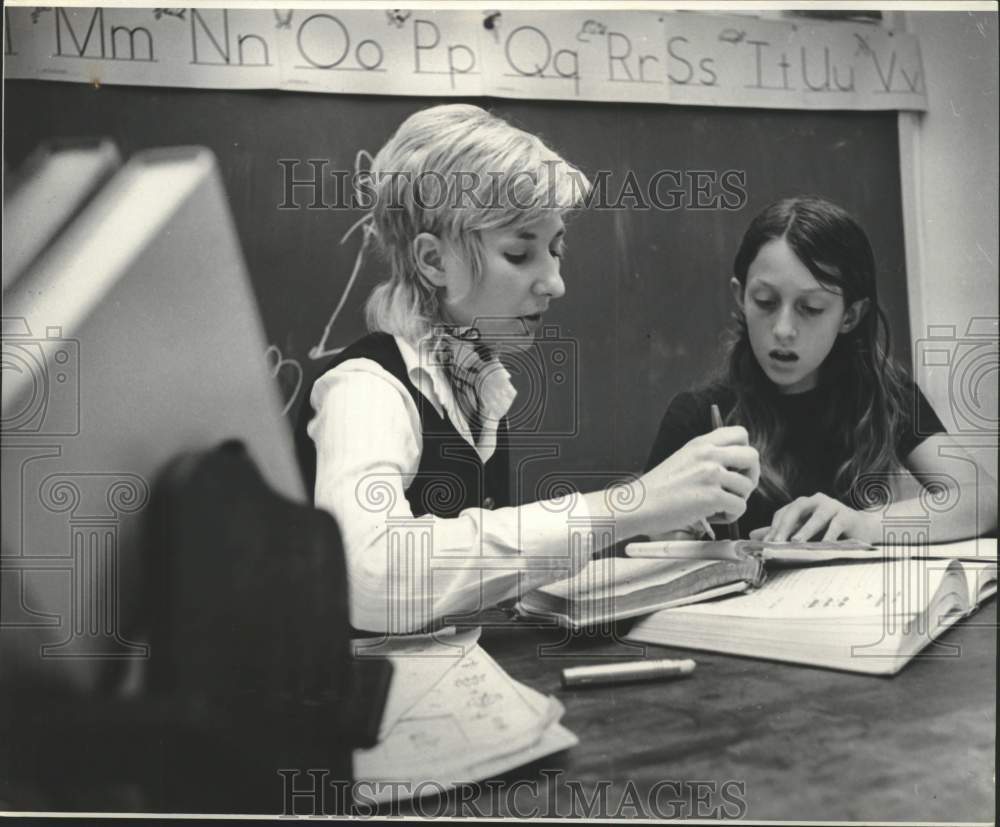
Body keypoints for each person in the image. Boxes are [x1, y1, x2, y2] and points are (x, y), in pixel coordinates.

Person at [297, 104, 759, 633]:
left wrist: (659, 522)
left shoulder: (475, 384)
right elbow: (372, 574)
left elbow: (477, 565)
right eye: (519, 254)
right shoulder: (365, 391)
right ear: (433, 261)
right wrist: (624, 508)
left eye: (555, 249)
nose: (554, 283)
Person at [646, 195, 997, 543]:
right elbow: (651, 537)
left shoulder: (885, 395)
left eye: (811, 308)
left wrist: (863, 525)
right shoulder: (695, 415)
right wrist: (673, 532)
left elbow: (984, 499)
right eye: (765, 302)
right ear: (740, 298)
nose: (783, 329)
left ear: (850, 316)